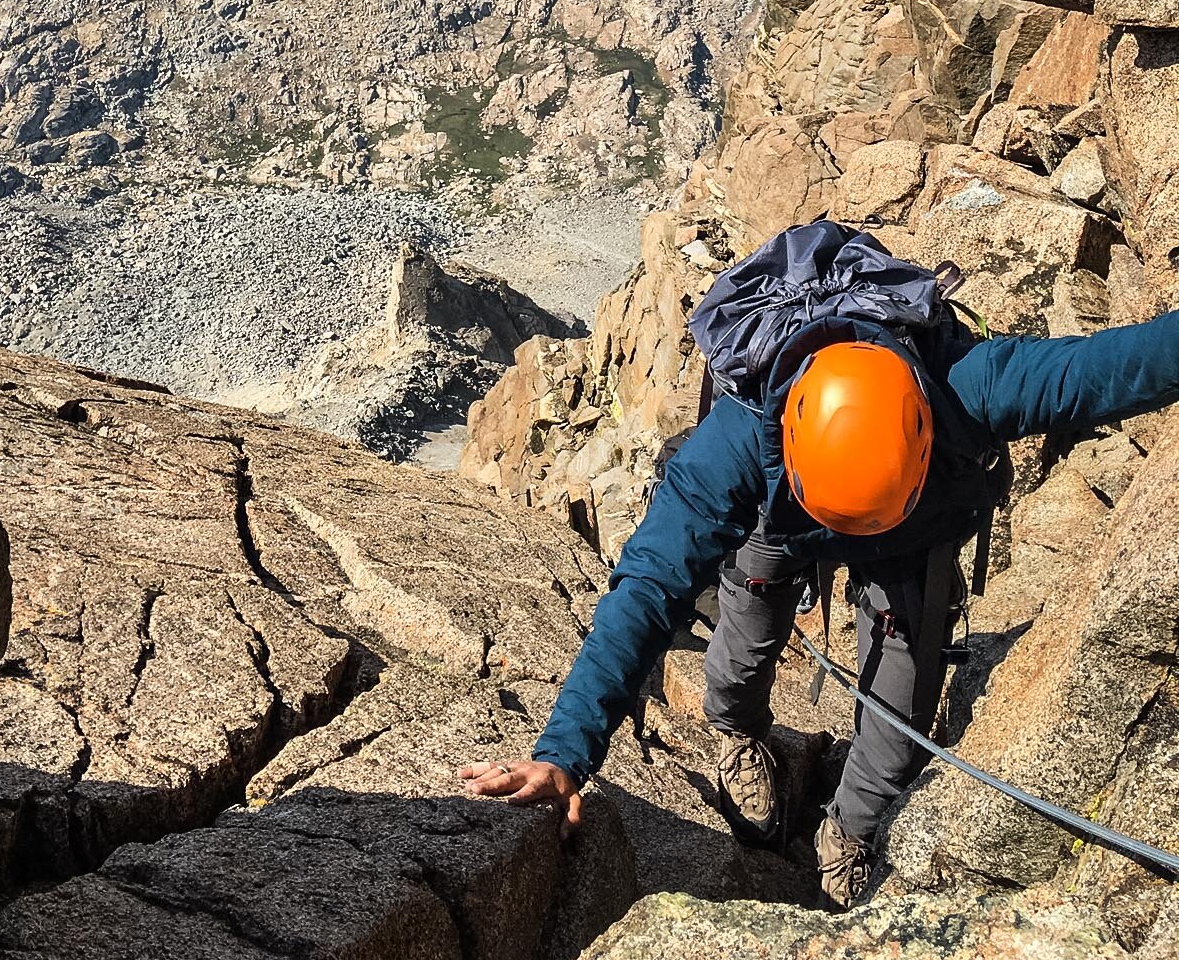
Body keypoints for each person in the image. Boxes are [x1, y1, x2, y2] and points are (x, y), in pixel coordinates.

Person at [459, 222, 1179, 908]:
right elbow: (649, 586)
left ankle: (851, 833)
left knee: (901, 715)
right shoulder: (738, 442)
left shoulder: (967, 383)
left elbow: (1120, 368)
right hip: (785, 519)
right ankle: (741, 736)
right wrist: (563, 754)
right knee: (741, 646)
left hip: (911, 532)